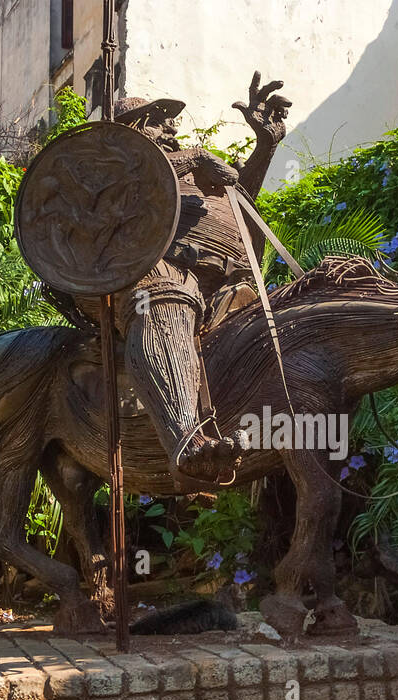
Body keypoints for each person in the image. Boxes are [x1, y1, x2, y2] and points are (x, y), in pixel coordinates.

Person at [49, 74, 292, 484]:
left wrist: (265, 146)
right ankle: (189, 444)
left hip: (227, 286)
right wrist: (193, 157)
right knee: (167, 295)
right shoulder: (116, 170)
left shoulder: (193, 169)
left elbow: (240, 201)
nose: (172, 128)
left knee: (299, 312)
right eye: (160, 121)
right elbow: (118, 194)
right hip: (148, 278)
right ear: (133, 131)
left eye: (170, 121)